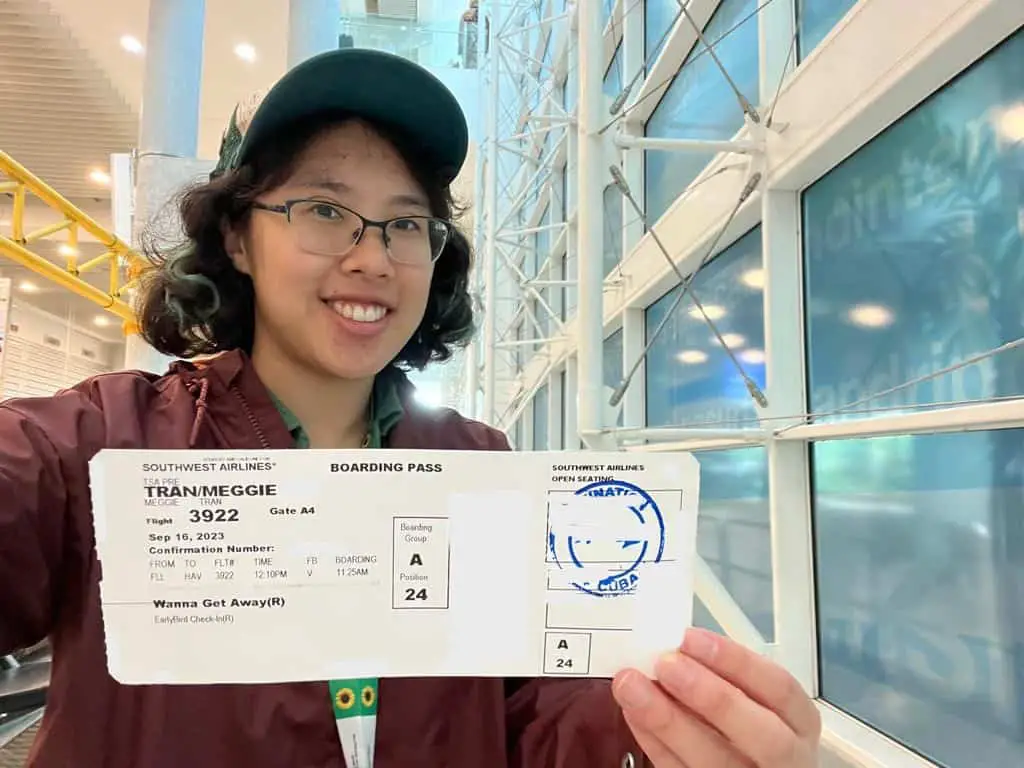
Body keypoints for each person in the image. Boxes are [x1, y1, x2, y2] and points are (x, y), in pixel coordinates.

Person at [0, 49, 821, 767]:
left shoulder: (479, 466)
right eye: (324, 210)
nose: (372, 258)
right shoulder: (103, 445)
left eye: (405, 225)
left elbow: (531, 722)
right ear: (240, 238)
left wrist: (656, 728)